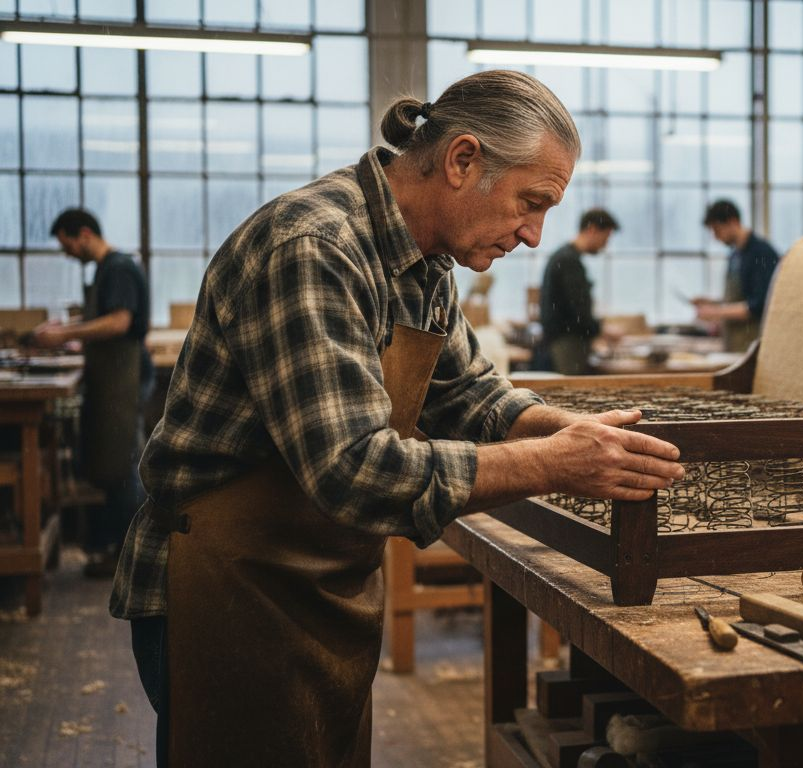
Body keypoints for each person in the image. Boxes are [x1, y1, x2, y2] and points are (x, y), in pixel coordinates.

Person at [110, 70, 683, 767]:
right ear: (463, 160)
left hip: (319, 583)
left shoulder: (426, 260)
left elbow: (470, 395)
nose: (534, 235)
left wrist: (571, 432)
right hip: (229, 586)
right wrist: (556, 465)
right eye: (530, 204)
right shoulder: (313, 247)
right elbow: (354, 470)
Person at [32, 208, 151, 579]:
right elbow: (105, 315)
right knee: (115, 466)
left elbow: (120, 321)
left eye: (68, 245)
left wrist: (65, 336)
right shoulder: (106, 269)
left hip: (126, 377)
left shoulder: (118, 267)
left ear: (84, 234)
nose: (68, 254)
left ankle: (132, 558)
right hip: (111, 376)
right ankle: (117, 551)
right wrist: (67, 325)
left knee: (125, 467)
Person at [538, 207, 619, 374]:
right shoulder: (569, 261)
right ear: (592, 229)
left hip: (563, 340)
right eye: (606, 237)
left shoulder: (564, 256)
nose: (605, 245)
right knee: (571, 388)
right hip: (567, 342)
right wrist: (601, 329)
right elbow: (578, 311)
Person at [696, 199, 780, 352]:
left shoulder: (761, 253)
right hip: (733, 343)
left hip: (753, 345)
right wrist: (712, 302)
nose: (716, 237)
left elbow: (759, 305)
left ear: (733, 222)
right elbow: (739, 298)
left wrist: (716, 312)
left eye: (717, 230)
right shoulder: (735, 254)